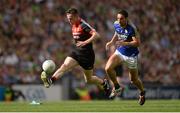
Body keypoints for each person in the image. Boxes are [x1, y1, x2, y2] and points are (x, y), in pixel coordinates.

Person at [41, 8, 109, 94]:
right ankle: (50, 81)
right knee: (64, 66)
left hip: (87, 56)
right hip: (77, 53)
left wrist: (85, 42)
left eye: (71, 18)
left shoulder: (83, 25)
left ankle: (103, 83)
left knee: (89, 80)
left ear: (77, 17)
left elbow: (97, 35)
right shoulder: (73, 24)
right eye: (68, 18)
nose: (69, 20)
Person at [105, 9, 145, 105]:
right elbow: (117, 32)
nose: (119, 21)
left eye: (121, 19)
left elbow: (137, 43)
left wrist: (124, 43)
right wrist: (111, 42)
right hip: (120, 51)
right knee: (108, 68)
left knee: (133, 80)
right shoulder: (116, 23)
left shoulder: (132, 28)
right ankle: (117, 87)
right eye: (118, 18)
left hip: (131, 55)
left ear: (126, 19)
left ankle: (142, 92)